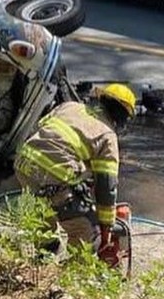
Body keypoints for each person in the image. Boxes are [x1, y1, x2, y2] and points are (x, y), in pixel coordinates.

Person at [13, 84, 137, 269]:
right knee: (83, 231)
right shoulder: (107, 135)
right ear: (123, 116)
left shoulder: (70, 106)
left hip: (24, 164)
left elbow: (44, 129)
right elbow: (107, 188)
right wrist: (106, 229)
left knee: (44, 221)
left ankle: (40, 266)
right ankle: (71, 281)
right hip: (55, 175)